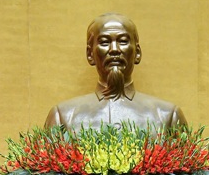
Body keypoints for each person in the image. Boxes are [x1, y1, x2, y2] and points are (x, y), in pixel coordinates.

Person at [45, 13, 187, 131]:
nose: (114, 49)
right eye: (105, 42)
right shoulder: (63, 117)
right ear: (90, 54)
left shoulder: (167, 116)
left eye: (123, 41)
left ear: (137, 53)